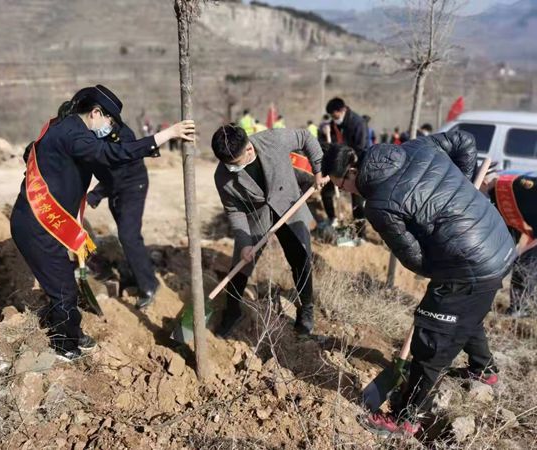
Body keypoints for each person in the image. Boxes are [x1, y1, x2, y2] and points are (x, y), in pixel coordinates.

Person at [321, 130, 516, 437]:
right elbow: (464, 140)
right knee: (465, 311)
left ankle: (405, 418)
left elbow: (413, 259)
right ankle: (485, 370)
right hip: (499, 241)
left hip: (471, 262)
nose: (346, 192)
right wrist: (465, 185)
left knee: (432, 335)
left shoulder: (378, 205)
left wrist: (442, 272)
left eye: (341, 185)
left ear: (352, 172)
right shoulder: (415, 145)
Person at [10, 85, 195, 361]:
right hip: (38, 225)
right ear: (96, 113)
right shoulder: (74, 134)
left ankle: (71, 330)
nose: (109, 126)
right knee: (64, 289)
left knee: (63, 280)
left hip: (45, 222)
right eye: (108, 120)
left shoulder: (66, 128)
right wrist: (166, 134)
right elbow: (111, 155)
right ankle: (64, 346)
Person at [211, 125, 329, 337]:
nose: (231, 170)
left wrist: (318, 170)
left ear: (248, 150)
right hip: (257, 217)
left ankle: (307, 309)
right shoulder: (222, 176)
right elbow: (234, 211)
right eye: (227, 165)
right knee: (240, 266)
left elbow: (305, 136)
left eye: (234, 165)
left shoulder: (273, 139)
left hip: (289, 206)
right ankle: (233, 311)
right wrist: (245, 242)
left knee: (300, 258)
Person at [86, 123, 161, 309]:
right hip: (115, 191)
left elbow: (119, 172)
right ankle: (131, 274)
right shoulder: (91, 135)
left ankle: (149, 285)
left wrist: (95, 194)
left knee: (129, 236)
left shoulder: (122, 134)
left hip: (132, 186)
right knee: (125, 235)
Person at [482, 171, 537, 317]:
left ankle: (521, 309)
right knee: (516, 261)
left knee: (525, 265)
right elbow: (511, 228)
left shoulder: (512, 187)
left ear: (484, 182)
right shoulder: (497, 197)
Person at [325, 97, 369, 241]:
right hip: (339, 165)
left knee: (357, 202)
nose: (333, 118)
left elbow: (360, 148)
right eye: (331, 116)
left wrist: (349, 163)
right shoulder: (335, 124)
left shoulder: (358, 123)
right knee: (326, 191)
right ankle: (332, 219)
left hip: (356, 167)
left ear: (342, 110)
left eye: (334, 115)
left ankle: (360, 235)